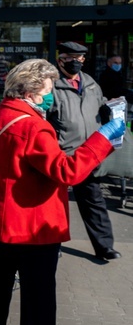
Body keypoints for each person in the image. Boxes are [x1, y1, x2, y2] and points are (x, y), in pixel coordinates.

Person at [0, 58, 125, 325]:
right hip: (34, 226)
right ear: (32, 89)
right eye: (49, 87)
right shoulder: (34, 126)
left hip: (0, 223)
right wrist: (104, 138)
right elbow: (66, 171)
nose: (52, 92)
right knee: (39, 303)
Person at [47, 41, 122, 261]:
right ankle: (51, 244)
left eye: (79, 59)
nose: (76, 63)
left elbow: (99, 105)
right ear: (60, 59)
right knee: (54, 203)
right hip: (61, 154)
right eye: (70, 58)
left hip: (88, 154)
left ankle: (104, 246)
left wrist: (111, 105)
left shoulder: (90, 83)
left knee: (93, 201)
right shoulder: (51, 86)